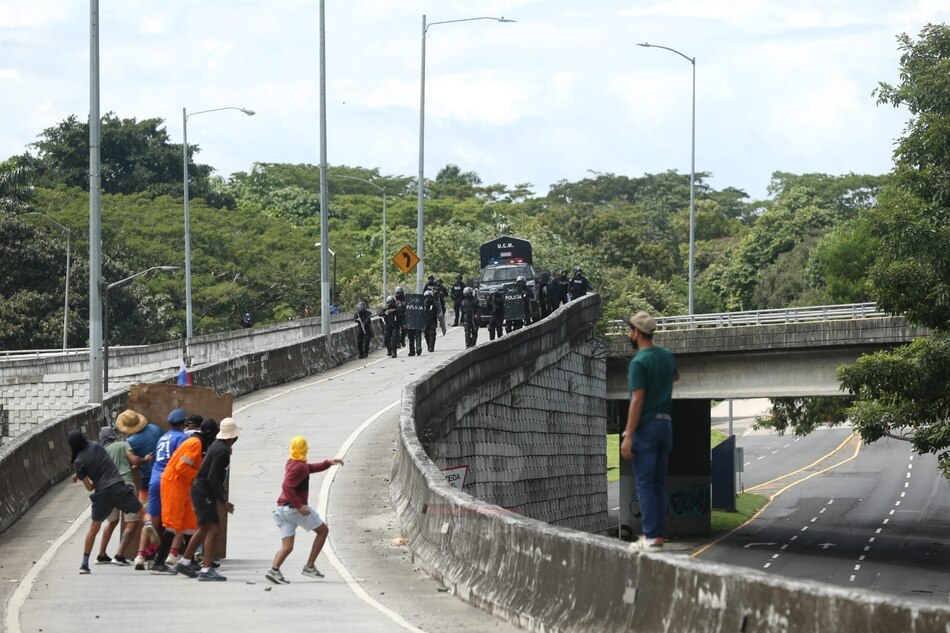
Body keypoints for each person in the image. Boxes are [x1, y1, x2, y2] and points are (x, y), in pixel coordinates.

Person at [620, 311, 679, 551]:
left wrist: (628, 435)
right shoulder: (666, 356)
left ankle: (651, 535)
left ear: (637, 333)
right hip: (666, 425)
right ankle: (659, 535)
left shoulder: (639, 362)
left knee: (644, 483)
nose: (628, 333)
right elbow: (675, 376)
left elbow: (637, 400)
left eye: (629, 329)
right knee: (658, 483)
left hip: (647, 427)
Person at [265, 436, 344, 584]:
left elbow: (309, 469)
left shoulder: (292, 463)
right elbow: (287, 487)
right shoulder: (299, 467)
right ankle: (309, 566)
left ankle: (274, 570)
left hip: (282, 510)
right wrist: (299, 506)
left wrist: (328, 463)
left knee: (287, 547)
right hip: (294, 510)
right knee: (323, 531)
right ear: (304, 449)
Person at [68, 429, 145, 574]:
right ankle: (125, 550)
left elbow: (90, 487)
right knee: (139, 515)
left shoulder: (78, 461)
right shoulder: (98, 446)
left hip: (102, 493)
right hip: (119, 486)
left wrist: (81, 476)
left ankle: (86, 563)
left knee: (96, 527)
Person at [174, 417, 241, 581]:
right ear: (232, 437)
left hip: (199, 489)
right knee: (213, 528)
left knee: (203, 527)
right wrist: (223, 502)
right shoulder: (222, 451)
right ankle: (206, 569)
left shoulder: (216, 446)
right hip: (204, 491)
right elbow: (212, 478)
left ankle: (185, 561)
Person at [152, 417, 219, 573]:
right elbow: (182, 467)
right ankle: (158, 562)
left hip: (183, 485)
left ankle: (190, 561)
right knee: (172, 524)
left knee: (189, 523)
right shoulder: (195, 443)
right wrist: (199, 476)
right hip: (174, 484)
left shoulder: (195, 442)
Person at [134, 407, 188, 570]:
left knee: (152, 519)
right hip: (170, 480)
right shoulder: (183, 438)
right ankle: (173, 553)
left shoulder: (162, 438)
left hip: (154, 478)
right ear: (184, 423)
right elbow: (183, 462)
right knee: (179, 517)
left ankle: (140, 556)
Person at [96, 426, 147, 565]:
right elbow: (134, 460)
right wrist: (145, 459)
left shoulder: (100, 451)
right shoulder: (123, 445)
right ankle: (119, 555)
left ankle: (101, 555)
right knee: (132, 522)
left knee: (112, 521)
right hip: (124, 485)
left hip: (106, 488)